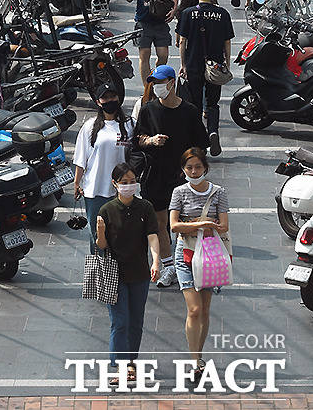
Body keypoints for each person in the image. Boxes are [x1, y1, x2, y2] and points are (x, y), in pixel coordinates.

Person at [136, 66, 209, 287]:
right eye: (153, 83)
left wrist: (190, 167)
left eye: (160, 82)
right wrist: (150, 141)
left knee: (186, 223)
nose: (157, 87)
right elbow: (138, 139)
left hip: (182, 178)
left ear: (171, 82)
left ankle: (187, 263)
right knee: (160, 222)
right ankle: (169, 267)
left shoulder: (189, 111)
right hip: (155, 176)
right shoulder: (148, 109)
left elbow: (201, 145)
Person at [97, 163, 160, 385]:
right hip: (113, 273)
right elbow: (102, 246)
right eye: (124, 182)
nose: (129, 186)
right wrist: (101, 232)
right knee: (120, 322)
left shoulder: (145, 208)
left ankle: (131, 363)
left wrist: (156, 260)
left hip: (139, 272)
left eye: (132, 181)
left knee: (135, 321)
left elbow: (153, 235)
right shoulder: (106, 210)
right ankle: (120, 367)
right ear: (114, 184)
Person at [169, 148, 229, 382]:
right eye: (189, 167)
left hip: (209, 256)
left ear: (206, 167)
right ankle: (195, 360)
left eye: (197, 167)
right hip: (185, 254)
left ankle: (199, 355)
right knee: (194, 309)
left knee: (204, 309)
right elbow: (174, 226)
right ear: (183, 170)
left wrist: (192, 223)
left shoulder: (219, 193)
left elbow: (223, 225)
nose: (194, 172)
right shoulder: (179, 192)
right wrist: (203, 224)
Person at [73, 83, 135, 253]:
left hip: (121, 191)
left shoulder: (130, 125)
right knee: (97, 236)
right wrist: (77, 183)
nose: (110, 101)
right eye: (105, 98)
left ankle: (119, 274)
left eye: (112, 97)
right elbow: (80, 159)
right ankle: (100, 273)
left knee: (121, 236)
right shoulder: (90, 127)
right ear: (98, 102)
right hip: (95, 191)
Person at [178, 0, 233, 156]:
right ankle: (213, 131)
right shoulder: (222, 14)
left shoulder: (188, 13)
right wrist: (227, 64)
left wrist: (183, 65)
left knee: (194, 103)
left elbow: (182, 42)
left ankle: (198, 141)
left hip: (194, 64)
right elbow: (227, 43)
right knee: (213, 103)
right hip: (215, 65)